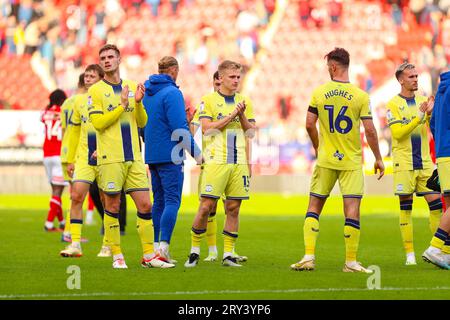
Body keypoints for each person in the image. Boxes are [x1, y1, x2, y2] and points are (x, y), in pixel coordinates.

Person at [290, 47, 384, 273]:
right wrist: (378, 158)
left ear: (333, 67)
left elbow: (309, 124)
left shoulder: (319, 92)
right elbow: (370, 130)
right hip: (351, 161)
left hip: (325, 159)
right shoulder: (361, 96)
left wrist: (317, 145)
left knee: (314, 206)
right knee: (352, 209)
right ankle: (350, 262)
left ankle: (308, 257)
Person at [87, 44, 173, 269]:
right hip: (111, 158)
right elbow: (98, 123)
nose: (106, 61)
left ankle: (148, 256)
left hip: (134, 156)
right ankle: (117, 255)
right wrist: (121, 106)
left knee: (145, 205)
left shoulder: (131, 86)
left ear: (119, 59)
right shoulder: (95, 91)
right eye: (103, 58)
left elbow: (142, 122)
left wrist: (136, 104)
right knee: (113, 206)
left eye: (110, 57)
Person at [184, 60, 256, 268]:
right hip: (216, 161)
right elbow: (207, 129)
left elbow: (250, 132)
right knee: (206, 206)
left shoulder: (245, 101)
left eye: (238, 77)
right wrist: (232, 114)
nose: (236, 81)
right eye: (232, 77)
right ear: (221, 78)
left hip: (239, 162)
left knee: (233, 208)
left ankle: (228, 254)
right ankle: (195, 251)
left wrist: (241, 115)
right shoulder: (209, 101)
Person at [142, 56, 202, 264]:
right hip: (172, 154)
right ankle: (164, 249)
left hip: (152, 154)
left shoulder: (147, 93)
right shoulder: (173, 93)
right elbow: (180, 130)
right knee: (172, 201)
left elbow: (143, 125)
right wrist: (198, 154)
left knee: (158, 201)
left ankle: (157, 249)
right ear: (174, 70)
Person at [386, 62, 443, 266]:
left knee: (437, 205)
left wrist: (430, 114)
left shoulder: (422, 101)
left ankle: (438, 249)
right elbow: (398, 134)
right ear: (401, 80)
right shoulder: (393, 104)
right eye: (411, 77)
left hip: (425, 162)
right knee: (406, 208)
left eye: (416, 76)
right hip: (404, 163)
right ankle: (410, 255)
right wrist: (419, 117)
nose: (415, 79)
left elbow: (432, 129)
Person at [59, 64, 105, 257]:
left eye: (92, 76)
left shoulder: (107, 97)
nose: (87, 78)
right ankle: (75, 244)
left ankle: (108, 244)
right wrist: (71, 159)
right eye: (86, 75)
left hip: (105, 157)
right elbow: (75, 132)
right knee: (76, 196)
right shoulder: (78, 101)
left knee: (107, 201)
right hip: (84, 157)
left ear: (100, 79)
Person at [423, 69, 450, 269]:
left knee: (449, 207)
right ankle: (434, 247)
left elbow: (432, 123)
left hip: (442, 154)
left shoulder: (441, 90)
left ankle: (447, 253)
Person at [60, 73, 86, 243]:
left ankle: (69, 231)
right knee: (77, 196)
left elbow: (63, 129)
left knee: (73, 194)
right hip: (77, 151)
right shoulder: (83, 101)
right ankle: (69, 232)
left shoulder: (66, 103)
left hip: (65, 149)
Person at [42, 89, 68, 232]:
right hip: (58, 155)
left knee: (55, 190)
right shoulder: (63, 112)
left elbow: (43, 118)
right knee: (58, 191)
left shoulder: (45, 113)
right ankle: (49, 224)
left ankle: (62, 222)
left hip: (46, 155)